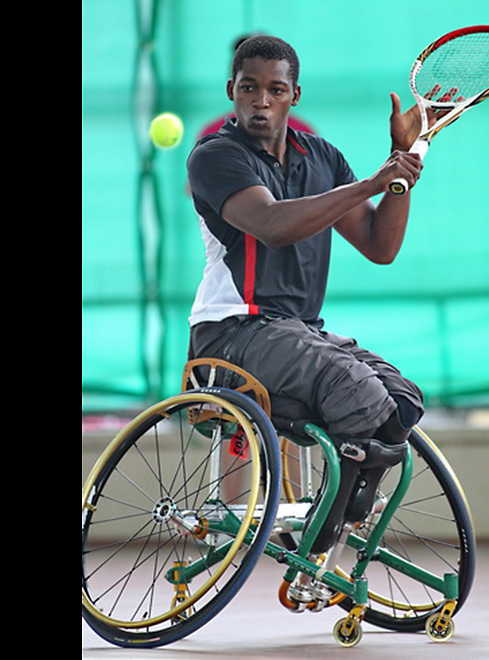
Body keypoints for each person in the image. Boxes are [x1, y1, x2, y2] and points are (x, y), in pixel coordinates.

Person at [186, 36, 440, 560]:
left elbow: (380, 245)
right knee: (354, 388)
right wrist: (372, 181)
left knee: (401, 400)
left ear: (293, 95)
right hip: (233, 333)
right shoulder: (215, 158)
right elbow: (272, 225)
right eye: (249, 88)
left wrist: (405, 161)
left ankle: (345, 500)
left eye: (275, 89)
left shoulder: (320, 157)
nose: (260, 100)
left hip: (300, 334)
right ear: (231, 90)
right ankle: (330, 526)